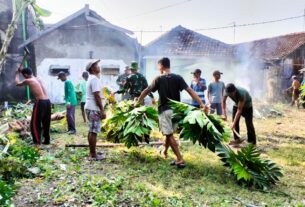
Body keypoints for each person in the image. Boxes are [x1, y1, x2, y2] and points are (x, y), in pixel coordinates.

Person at [136, 57, 206, 168]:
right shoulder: (178, 77)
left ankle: (179, 158)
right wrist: (201, 103)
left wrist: (138, 102)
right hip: (176, 111)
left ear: (162, 66)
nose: (158, 68)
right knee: (170, 134)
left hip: (165, 110)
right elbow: (190, 90)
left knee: (168, 134)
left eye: (158, 66)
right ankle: (164, 151)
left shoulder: (158, 78)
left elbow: (147, 90)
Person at [15, 67, 51, 145]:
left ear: (25, 75)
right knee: (46, 122)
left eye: (23, 75)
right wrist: (22, 71)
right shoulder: (38, 79)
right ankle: (47, 140)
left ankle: (37, 143)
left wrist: (17, 74)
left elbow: (17, 83)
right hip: (47, 101)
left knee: (34, 123)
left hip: (40, 102)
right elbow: (29, 74)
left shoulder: (28, 80)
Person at [84, 60, 106, 160]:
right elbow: (96, 96)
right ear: (92, 68)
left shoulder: (92, 78)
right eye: (97, 65)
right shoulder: (94, 79)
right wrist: (102, 110)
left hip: (90, 107)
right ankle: (93, 155)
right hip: (93, 108)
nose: (99, 67)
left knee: (92, 131)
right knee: (93, 132)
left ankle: (92, 153)